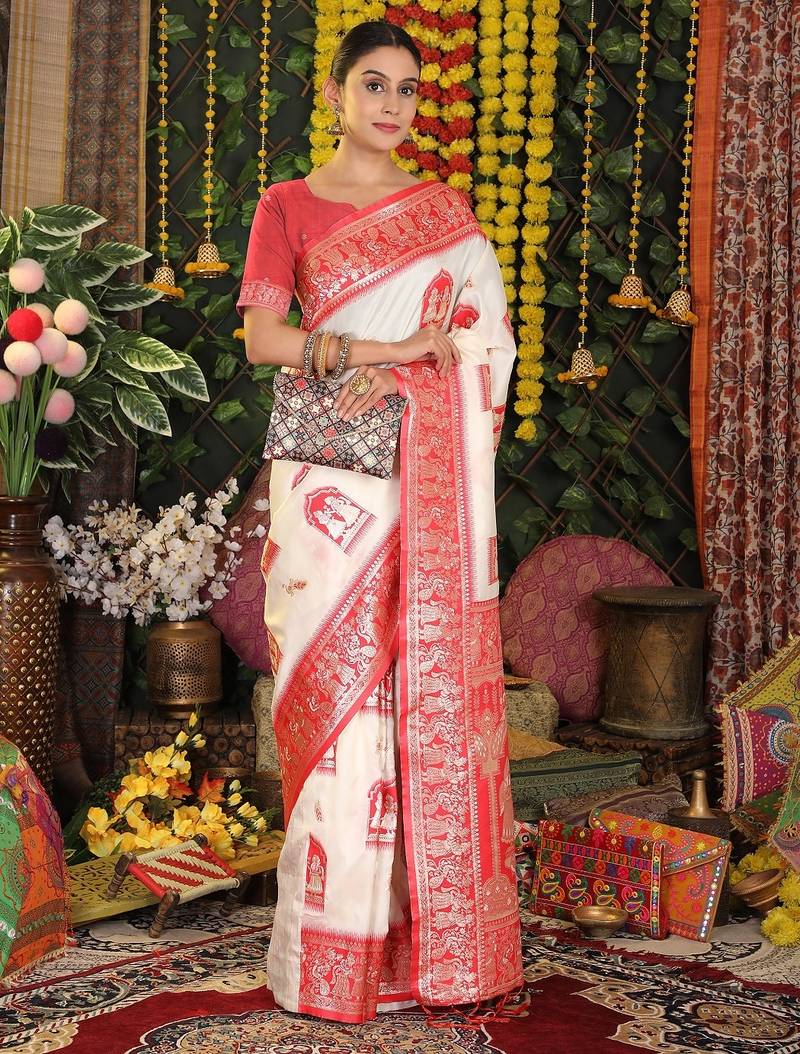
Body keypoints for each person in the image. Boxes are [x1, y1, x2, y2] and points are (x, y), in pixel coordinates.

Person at [239, 19, 522, 1024]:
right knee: (338, 703)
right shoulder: (287, 204)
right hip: (326, 486)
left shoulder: (444, 214)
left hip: (421, 478)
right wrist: (385, 352)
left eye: (406, 88)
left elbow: (483, 344)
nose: (392, 104)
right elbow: (264, 339)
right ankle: (333, 959)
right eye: (373, 84)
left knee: (413, 690)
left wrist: (410, 382)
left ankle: (430, 953)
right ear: (334, 92)